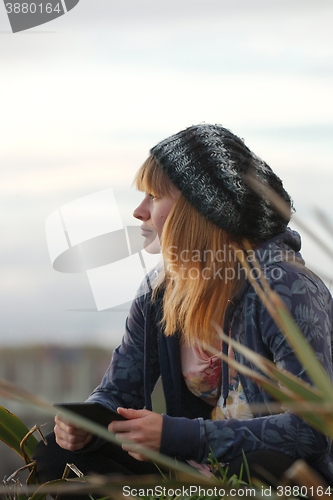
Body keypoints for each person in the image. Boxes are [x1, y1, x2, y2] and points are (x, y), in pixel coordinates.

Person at [33, 124, 333, 490]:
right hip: (188, 473)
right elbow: (117, 393)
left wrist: (182, 436)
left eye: (155, 196)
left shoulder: (287, 288)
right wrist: (87, 424)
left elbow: (314, 427)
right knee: (57, 455)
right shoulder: (159, 293)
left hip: (287, 477)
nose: (139, 211)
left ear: (202, 207)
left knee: (263, 466)